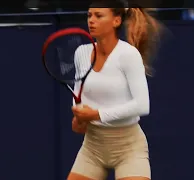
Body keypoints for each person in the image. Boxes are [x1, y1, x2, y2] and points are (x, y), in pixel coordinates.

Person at [68, 1, 163, 180]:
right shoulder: (81, 53)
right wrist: (79, 119)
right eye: (89, 15)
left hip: (129, 149)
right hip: (92, 148)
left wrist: (96, 115)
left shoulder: (128, 55)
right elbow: (79, 96)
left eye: (99, 15)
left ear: (116, 21)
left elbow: (143, 105)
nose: (91, 20)